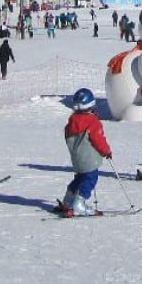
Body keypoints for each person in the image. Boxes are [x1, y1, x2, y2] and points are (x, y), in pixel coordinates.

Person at [56, 87, 113, 216]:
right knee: (90, 179)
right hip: (89, 159)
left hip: (77, 159)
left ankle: (68, 200)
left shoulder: (72, 121)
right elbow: (98, 138)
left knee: (79, 178)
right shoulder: (92, 121)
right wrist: (106, 151)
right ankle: (79, 204)